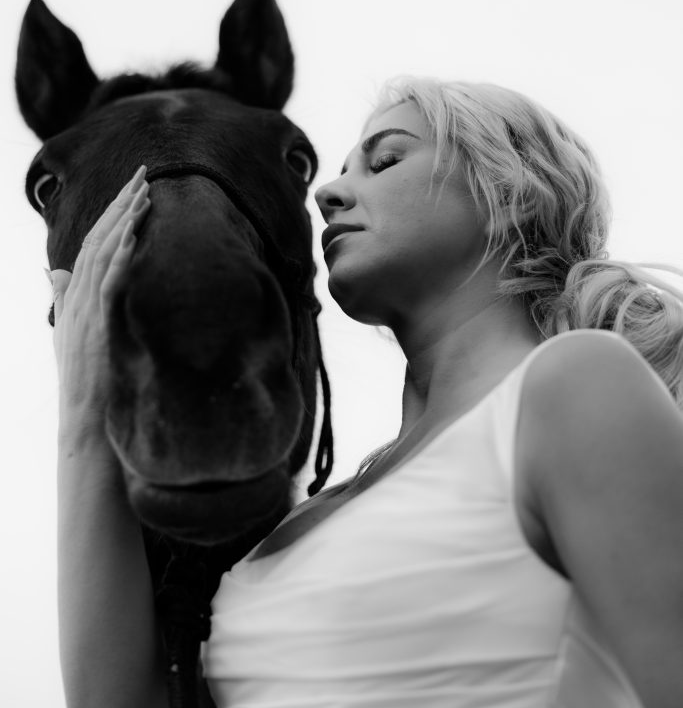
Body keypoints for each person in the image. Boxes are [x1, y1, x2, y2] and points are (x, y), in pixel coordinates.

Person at [52, 77, 683, 708]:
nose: (326, 193)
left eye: (385, 160)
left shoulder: (576, 389)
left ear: (511, 194)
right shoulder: (303, 523)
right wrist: (83, 413)